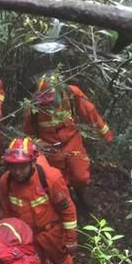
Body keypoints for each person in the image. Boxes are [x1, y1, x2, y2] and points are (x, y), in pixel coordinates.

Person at [23, 71, 114, 213]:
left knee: (81, 176)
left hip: (72, 142)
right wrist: (38, 143)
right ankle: (69, 205)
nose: (48, 105)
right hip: (51, 150)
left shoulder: (71, 94)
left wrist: (106, 134)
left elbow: (90, 112)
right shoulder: (33, 108)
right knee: (59, 181)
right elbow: (28, 134)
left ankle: (81, 198)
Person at [0, 138, 78, 264]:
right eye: (13, 167)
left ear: (32, 162)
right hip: (28, 236)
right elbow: (7, 213)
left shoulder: (51, 178)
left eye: (22, 167)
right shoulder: (5, 182)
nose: (17, 172)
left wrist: (71, 238)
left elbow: (67, 209)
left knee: (61, 259)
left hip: (51, 230)